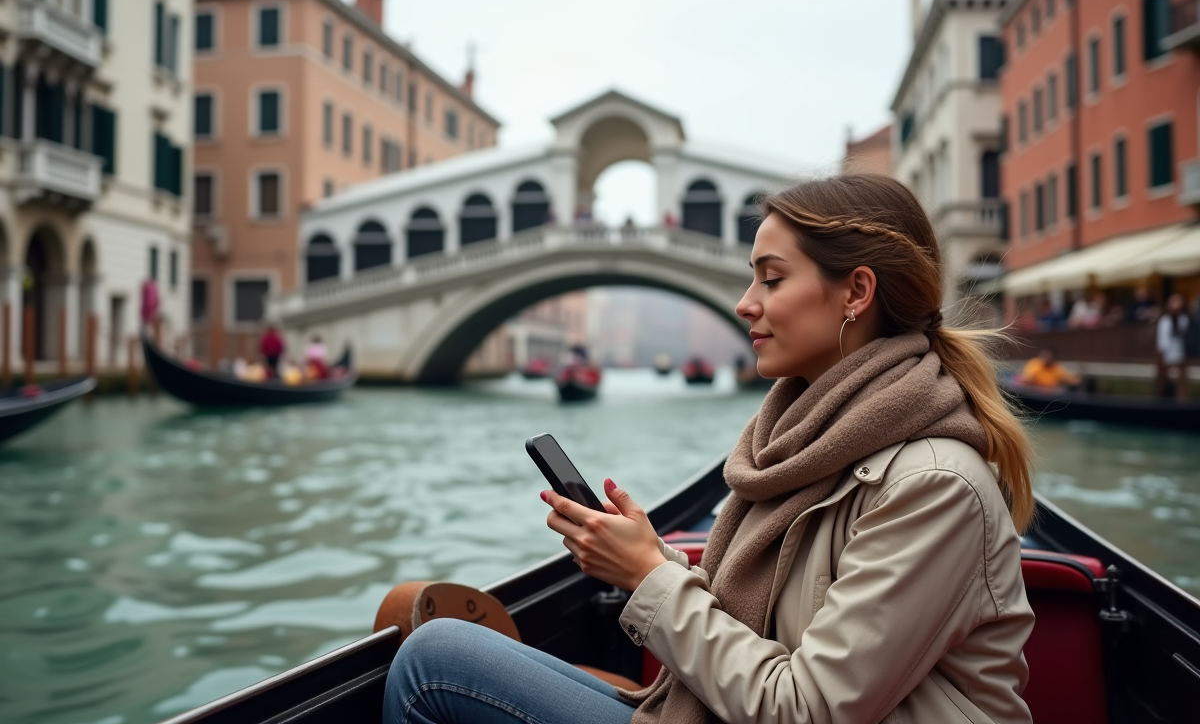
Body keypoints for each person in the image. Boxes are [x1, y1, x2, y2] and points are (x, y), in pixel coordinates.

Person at [384, 174, 1036, 724]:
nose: (744, 304)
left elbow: (806, 709)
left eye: (771, 280)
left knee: (434, 664)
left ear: (856, 293)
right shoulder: (800, 442)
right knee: (432, 637)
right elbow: (768, 628)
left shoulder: (934, 484)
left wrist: (648, 577)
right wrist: (649, 554)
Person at [1156, 294, 1190, 400]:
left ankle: (1182, 400)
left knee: (1182, 379)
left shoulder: (1184, 320)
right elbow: (1162, 340)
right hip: (1167, 354)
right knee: (1163, 380)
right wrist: (1161, 354)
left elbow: (1187, 337)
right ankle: (1161, 398)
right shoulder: (1164, 321)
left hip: (1181, 353)